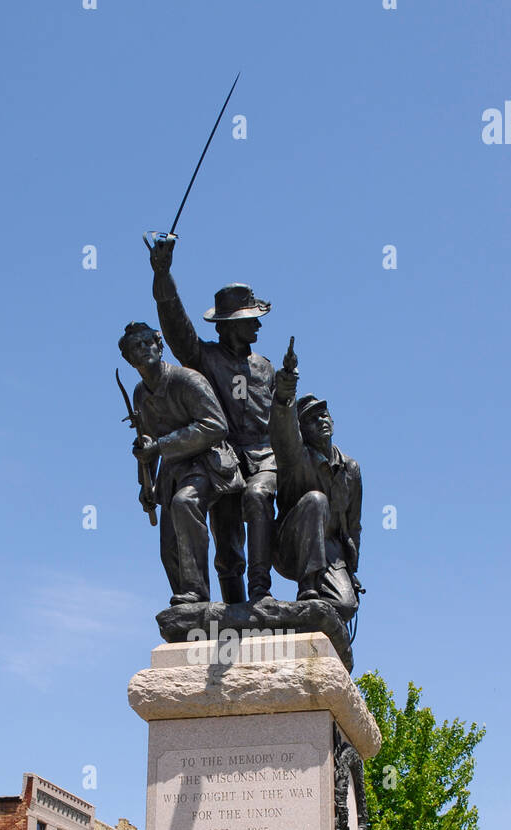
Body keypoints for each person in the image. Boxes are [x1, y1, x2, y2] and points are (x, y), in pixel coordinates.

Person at [148, 237, 277, 603]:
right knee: (228, 543)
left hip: (265, 458)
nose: (257, 327)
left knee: (258, 498)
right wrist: (163, 275)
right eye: (250, 321)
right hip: (222, 461)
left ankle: (261, 593)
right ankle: (236, 612)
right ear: (227, 326)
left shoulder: (265, 367)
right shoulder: (203, 358)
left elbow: (283, 420)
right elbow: (175, 325)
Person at [118, 321, 243, 606]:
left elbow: (216, 425)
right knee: (169, 546)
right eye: (135, 347)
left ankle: (196, 592)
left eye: (148, 342)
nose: (144, 349)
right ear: (129, 358)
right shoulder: (140, 394)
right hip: (172, 474)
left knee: (186, 505)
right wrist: (145, 483)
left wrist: (161, 445)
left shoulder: (187, 380)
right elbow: (146, 439)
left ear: (159, 345)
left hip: (209, 465)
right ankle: (189, 608)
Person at [269, 340, 362, 621]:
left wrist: (352, 571)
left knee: (345, 607)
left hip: (331, 551)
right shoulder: (295, 456)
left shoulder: (351, 469)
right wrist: (285, 389)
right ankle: (307, 588)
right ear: (302, 430)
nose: (321, 420)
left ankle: (312, 617)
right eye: (311, 419)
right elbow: (283, 427)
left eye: (325, 414)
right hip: (290, 544)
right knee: (315, 499)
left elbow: (354, 524)